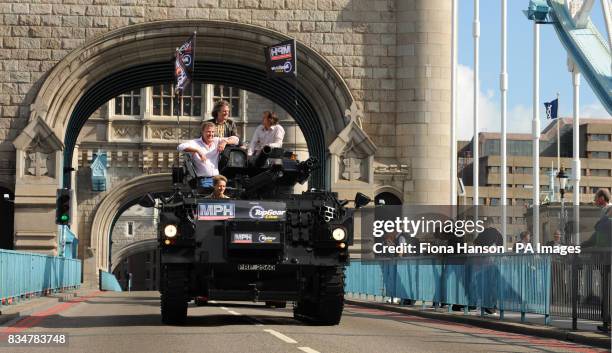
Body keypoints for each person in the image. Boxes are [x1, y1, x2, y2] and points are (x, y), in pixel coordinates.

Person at [582, 188, 612, 332]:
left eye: (596, 197)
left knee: (608, 291)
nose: (595, 200)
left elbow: (601, 228)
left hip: (608, 258)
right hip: (604, 258)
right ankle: (606, 322)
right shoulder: (605, 215)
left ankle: (608, 322)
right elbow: (597, 234)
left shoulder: (608, 213)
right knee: (605, 291)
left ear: (602, 197)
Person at [177, 121, 239, 187]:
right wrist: (198, 151)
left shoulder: (216, 140)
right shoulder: (195, 143)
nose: (211, 134)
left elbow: (236, 140)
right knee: (207, 196)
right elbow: (180, 147)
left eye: (212, 132)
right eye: (208, 132)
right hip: (204, 179)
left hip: (217, 178)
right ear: (202, 132)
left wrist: (225, 141)